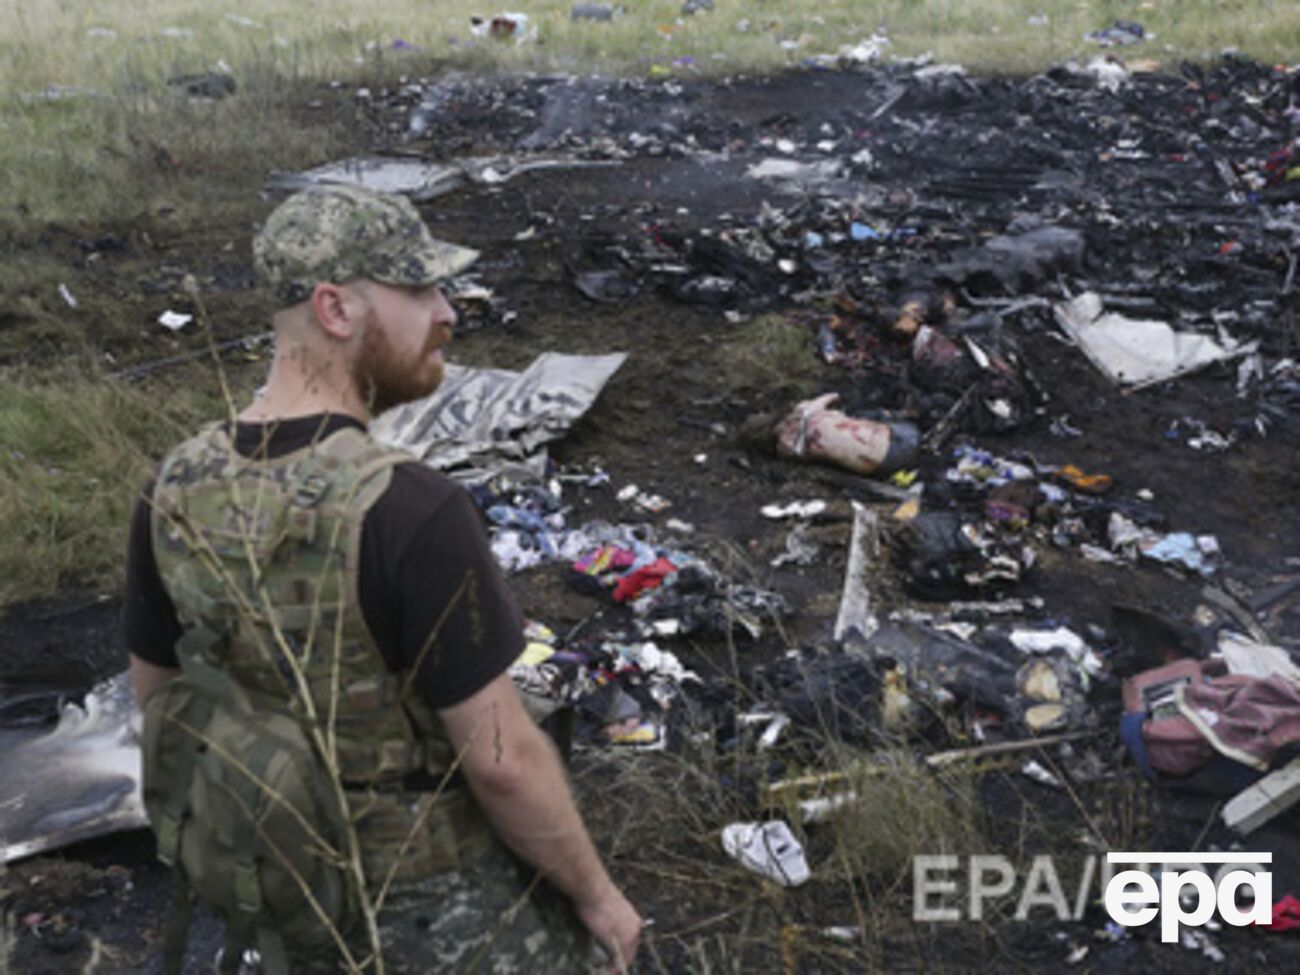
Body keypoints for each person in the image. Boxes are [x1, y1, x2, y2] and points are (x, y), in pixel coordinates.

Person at [122, 185, 642, 973]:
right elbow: (503, 763)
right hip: (429, 923)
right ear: (336, 309)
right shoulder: (413, 508)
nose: (448, 312)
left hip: (282, 913)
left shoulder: (173, 485)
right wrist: (598, 895)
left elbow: (160, 701)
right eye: (420, 288)